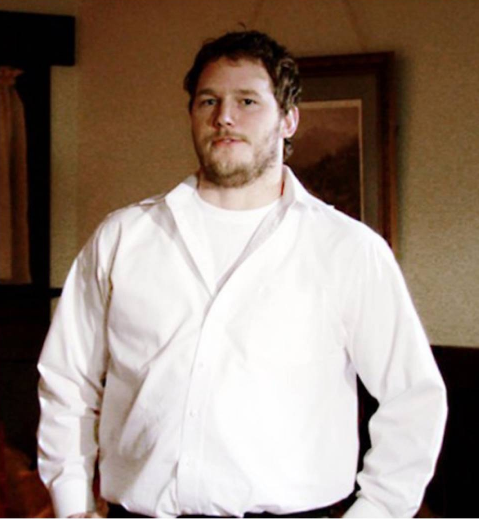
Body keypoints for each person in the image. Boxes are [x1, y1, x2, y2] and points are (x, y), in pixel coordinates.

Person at [37, 30, 447, 518]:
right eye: (208, 101)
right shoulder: (123, 238)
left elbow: (413, 399)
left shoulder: (349, 250)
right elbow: (67, 382)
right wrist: (72, 506)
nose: (224, 117)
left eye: (247, 101)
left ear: (288, 119)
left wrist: (375, 511)